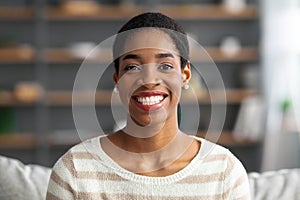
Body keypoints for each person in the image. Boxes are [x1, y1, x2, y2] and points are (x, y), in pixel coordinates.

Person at [46, 12, 250, 199]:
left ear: (185, 75)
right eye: (133, 67)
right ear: (117, 80)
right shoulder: (74, 170)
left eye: (165, 66)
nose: (149, 80)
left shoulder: (225, 171)